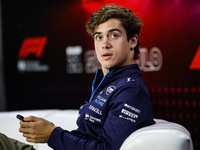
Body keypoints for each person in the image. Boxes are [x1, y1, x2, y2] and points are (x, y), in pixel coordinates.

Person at [0, 4, 155, 150]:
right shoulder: (109, 82)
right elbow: (88, 137)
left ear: (133, 41)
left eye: (114, 35)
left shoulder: (131, 91)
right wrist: (51, 130)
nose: (105, 44)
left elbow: (105, 148)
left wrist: (52, 134)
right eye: (98, 37)